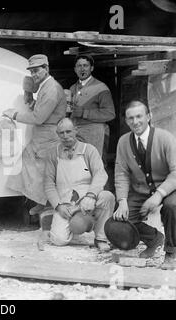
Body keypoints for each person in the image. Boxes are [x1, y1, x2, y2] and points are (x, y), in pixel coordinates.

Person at [113, 100, 176, 269]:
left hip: (168, 189)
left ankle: (172, 251)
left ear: (149, 116)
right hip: (141, 192)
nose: (135, 122)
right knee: (117, 223)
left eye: (139, 116)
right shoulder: (123, 141)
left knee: (172, 206)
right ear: (126, 121)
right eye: (130, 118)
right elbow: (121, 173)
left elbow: (175, 172)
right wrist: (122, 201)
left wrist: (159, 194)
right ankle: (154, 238)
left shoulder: (165, 138)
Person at [2, 54, 66, 215]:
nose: (34, 75)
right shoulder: (45, 86)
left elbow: (39, 118)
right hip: (42, 135)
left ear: (46, 69)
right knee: (33, 168)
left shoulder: (51, 88)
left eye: (37, 70)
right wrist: (29, 98)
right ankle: (42, 201)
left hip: (49, 136)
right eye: (32, 72)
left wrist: (14, 114)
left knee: (46, 172)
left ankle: (50, 206)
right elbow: (40, 110)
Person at [44, 118, 114, 251]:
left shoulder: (89, 150)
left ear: (76, 130)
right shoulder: (53, 154)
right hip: (66, 204)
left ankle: (101, 237)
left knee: (107, 197)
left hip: (87, 200)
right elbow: (48, 183)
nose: (65, 136)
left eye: (69, 132)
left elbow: (100, 174)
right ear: (57, 134)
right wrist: (58, 206)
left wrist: (91, 195)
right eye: (61, 133)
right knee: (59, 240)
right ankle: (76, 225)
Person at [69, 54, 116, 160]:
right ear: (75, 69)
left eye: (85, 65)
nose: (82, 69)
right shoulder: (72, 89)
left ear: (92, 68)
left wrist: (84, 113)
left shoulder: (101, 88)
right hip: (76, 134)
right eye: (79, 66)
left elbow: (110, 114)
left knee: (94, 166)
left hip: (94, 135)